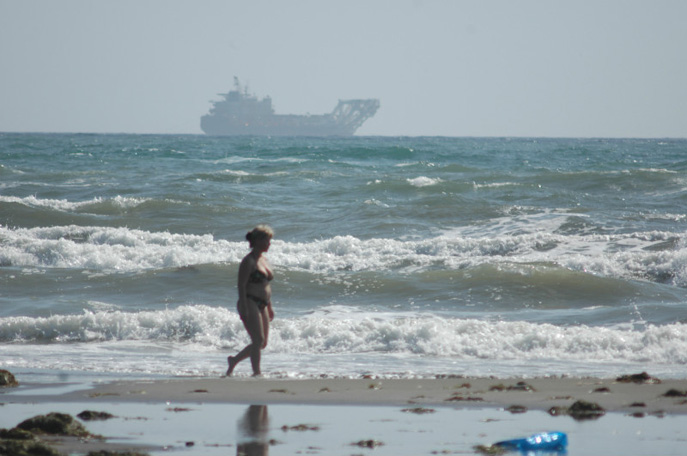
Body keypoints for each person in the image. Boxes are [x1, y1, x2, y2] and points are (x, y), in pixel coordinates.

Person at [226, 225, 275, 376]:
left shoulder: (264, 260)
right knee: (258, 340)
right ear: (258, 241)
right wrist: (245, 307)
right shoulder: (248, 261)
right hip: (249, 301)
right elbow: (241, 285)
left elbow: (266, 284)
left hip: (263, 304)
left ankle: (234, 360)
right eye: (267, 240)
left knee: (263, 343)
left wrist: (270, 307)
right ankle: (256, 372)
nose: (269, 244)